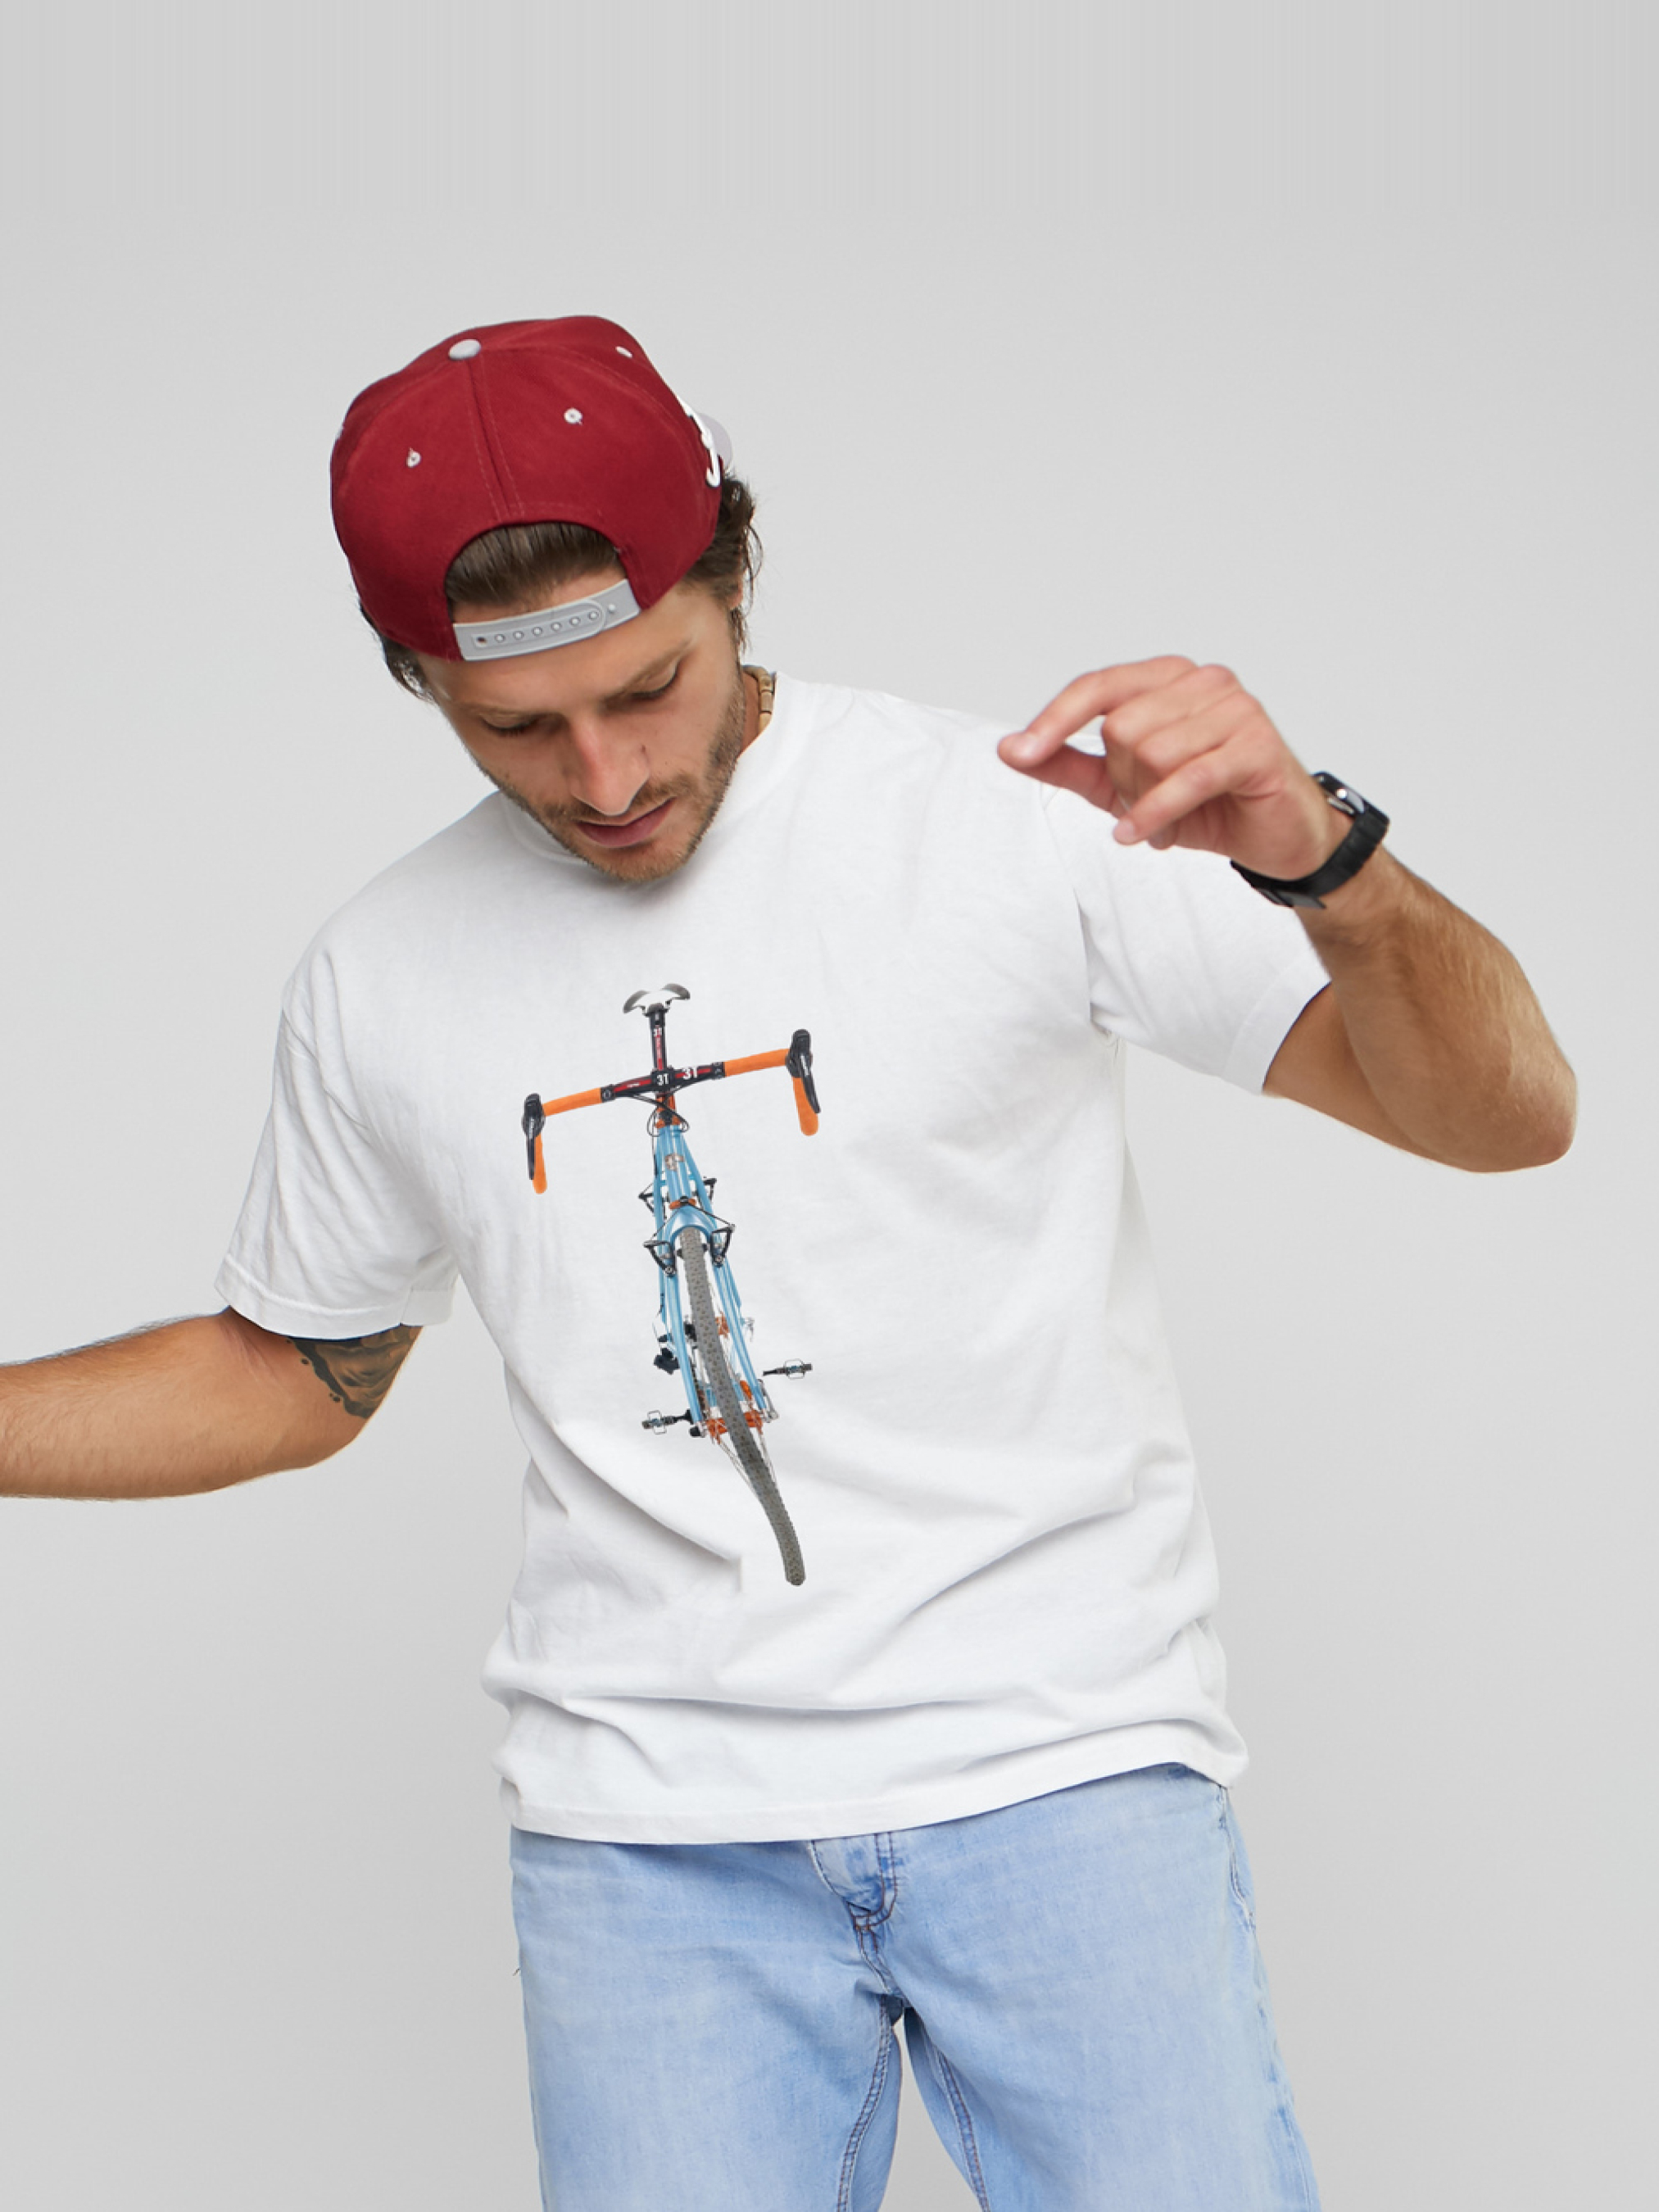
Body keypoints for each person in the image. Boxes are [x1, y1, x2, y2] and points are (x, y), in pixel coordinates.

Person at [0, 316, 1575, 2210]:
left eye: (646, 688)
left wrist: (1327, 863)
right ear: (415, 677)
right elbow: (292, 1372)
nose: (603, 776)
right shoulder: (382, 972)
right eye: (516, 727)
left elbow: (1504, 1117)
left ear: (731, 579)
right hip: (645, 1849)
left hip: (1059, 1776)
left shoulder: (1015, 823)